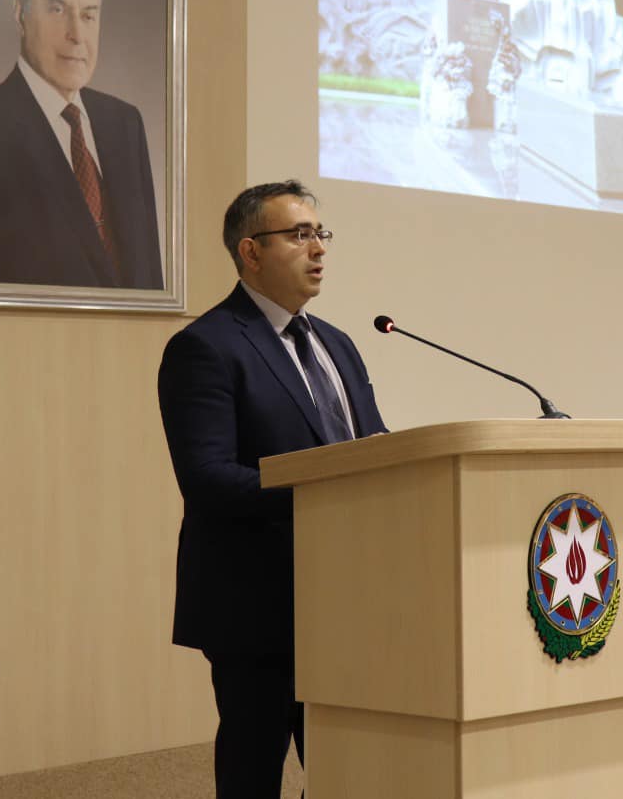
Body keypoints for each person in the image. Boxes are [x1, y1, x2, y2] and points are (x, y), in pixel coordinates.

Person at [159, 181, 388, 798]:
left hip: (345, 594)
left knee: (350, 764)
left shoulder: (338, 344)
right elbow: (207, 478)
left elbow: (373, 448)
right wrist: (326, 494)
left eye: (320, 233)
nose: (318, 248)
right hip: (255, 600)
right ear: (251, 251)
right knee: (254, 766)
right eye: (299, 234)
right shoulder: (206, 347)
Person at [0, 0, 163, 290]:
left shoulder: (125, 124)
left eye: (88, 15)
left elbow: (150, 278)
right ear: (20, 13)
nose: (77, 35)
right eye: (56, 10)